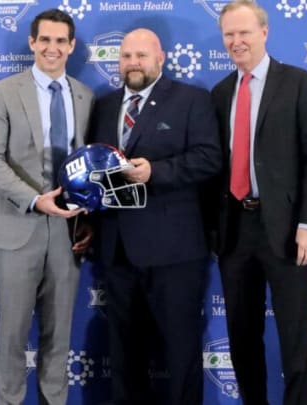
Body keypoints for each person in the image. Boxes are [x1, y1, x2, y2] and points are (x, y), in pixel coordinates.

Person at [87, 28, 221, 405]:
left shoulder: (191, 99)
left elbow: (209, 158)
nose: (133, 63)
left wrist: (155, 173)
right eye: (127, 56)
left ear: (160, 58)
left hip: (175, 252)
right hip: (117, 250)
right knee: (124, 354)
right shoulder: (105, 105)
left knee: (180, 351)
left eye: (142, 56)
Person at [210, 1, 307, 404]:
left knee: (296, 337)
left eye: (244, 32)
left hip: (286, 229)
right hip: (234, 231)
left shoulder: (298, 82)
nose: (236, 41)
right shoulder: (221, 92)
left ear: (265, 32)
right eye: (229, 34)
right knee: (242, 337)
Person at [0, 8, 94, 405]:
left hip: (68, 231)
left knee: (59, 333)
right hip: (16, 227)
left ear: (72, 46)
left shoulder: (85, 95)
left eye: (61, 41)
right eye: (45, 39)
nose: (52, 48)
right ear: (31, 42)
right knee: (11, 334)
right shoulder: (2, 92)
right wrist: (33, 199)